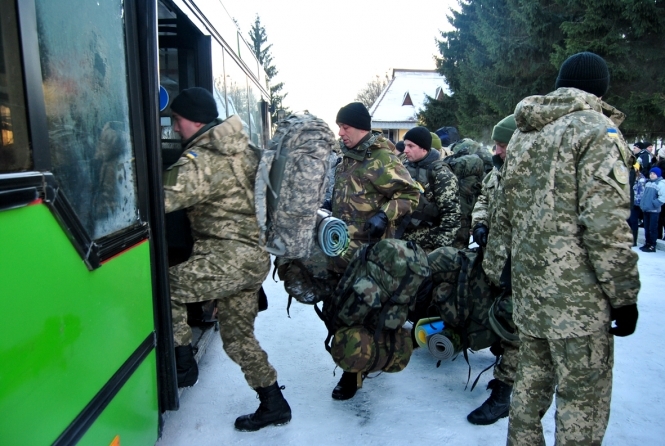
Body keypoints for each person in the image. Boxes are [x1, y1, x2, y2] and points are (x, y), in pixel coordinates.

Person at [484, 52, 640, 445]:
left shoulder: (524, 133)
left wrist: (500, 268)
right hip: (579, 301)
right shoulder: (596, 130)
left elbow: (504, 209)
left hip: (531, 291)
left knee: (529, 388)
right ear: (600, 88)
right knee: (581, 401)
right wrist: (623, 296)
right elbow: (605, 223)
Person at [163, 87, 291, 431]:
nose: (175, 128)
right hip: (253, 259)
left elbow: (156, 201)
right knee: (237, 339)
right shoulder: (246, 149)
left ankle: (182, 362)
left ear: (193, 120)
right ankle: (274, 405)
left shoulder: (201, 161)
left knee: (167, 285)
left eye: (176, 120)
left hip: (227, 259)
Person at [329, 102, 419, 399]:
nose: (341, 132)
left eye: (346, 127)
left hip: (370, 258)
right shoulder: (347, 158)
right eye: (339, 127)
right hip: (342, 251)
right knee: (338, 310)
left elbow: (410, 194)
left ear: (361, 127)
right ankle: (353, 360)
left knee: (359, 315)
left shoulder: (380, 158)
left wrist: (385, 214)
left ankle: (352, 373)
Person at [467, 114, 518, 425]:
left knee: (514, 331)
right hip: (494, 263)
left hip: (521, 268)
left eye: (502, 146)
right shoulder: (496, 172)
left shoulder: (528, 176)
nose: (495, 151)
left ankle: (503, 394)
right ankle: (504, 376)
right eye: (496, 145)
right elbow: (483, 200)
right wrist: (480, 224)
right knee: (499, 325)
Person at [400, 126, 461, 252]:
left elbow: (451, 215)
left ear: (423, 148)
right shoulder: (402, 168)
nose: (405, 150)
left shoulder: (441, 174)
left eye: (411, 146)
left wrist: (438, 250)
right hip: (401, 241)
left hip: (427, 246)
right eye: (405, 145)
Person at [639, 167, 665, 252]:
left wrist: (655, 204)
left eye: (654, 174)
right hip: (646, 210)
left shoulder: (660, 184)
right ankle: (647, 243)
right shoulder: (648, 183)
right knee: (646, 228)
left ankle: (652, 245)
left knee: (652, 228)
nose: (652, 175)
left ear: (658, 175)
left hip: (654, 211)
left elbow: (663, 198)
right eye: (651, 173)